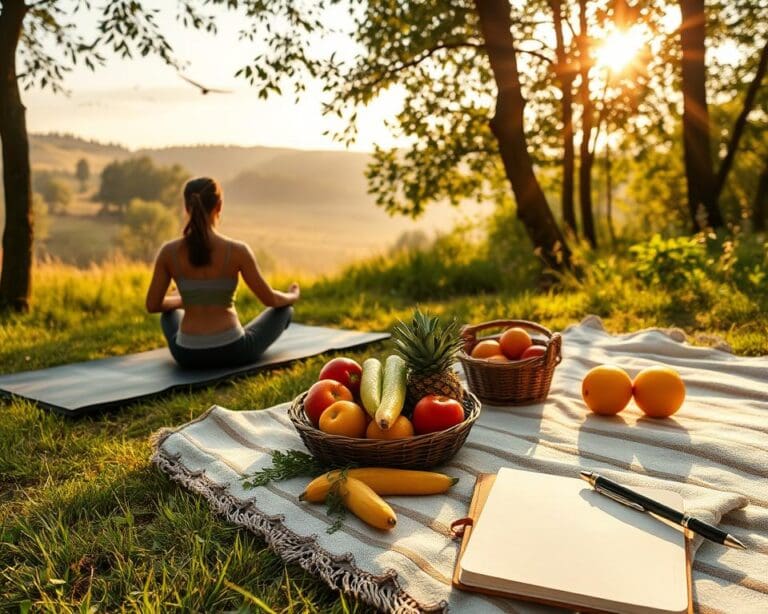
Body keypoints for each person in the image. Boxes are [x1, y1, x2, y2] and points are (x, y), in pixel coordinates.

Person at [145, 177, 300, 369]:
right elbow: (271, 300)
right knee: (285, 311)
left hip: (187, 355)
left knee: (168, 315)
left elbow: (153, 305)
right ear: (219, 206)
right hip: (232, 350)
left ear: (186, 207)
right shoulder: (237, 250)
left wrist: (181, 300)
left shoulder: (169, 252)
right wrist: (292, 295)